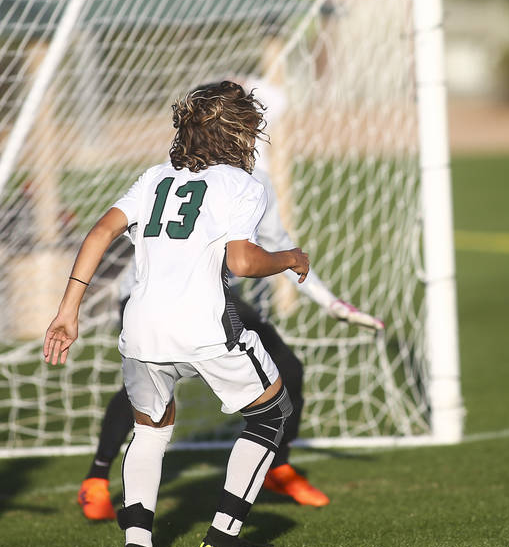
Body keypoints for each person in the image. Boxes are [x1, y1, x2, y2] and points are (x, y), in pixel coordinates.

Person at [45, 81, 308, 547]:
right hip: (204, 329)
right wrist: (291, 258)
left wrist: (68, 310)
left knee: (150, 432)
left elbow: (100, 231)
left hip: (141, 331)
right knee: (272, 413)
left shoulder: (154, 178)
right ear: (236, 133)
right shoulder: (241, 185)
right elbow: (244, 261)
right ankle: (221, 542)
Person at [77, 161, 384, 521]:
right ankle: (97, 479)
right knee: (148, 388)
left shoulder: (255, 181)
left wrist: (330, 301)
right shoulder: (172, 172)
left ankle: (275, 466)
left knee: (287, 367)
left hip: (207, 293)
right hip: (147, 293)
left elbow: (277, 244)